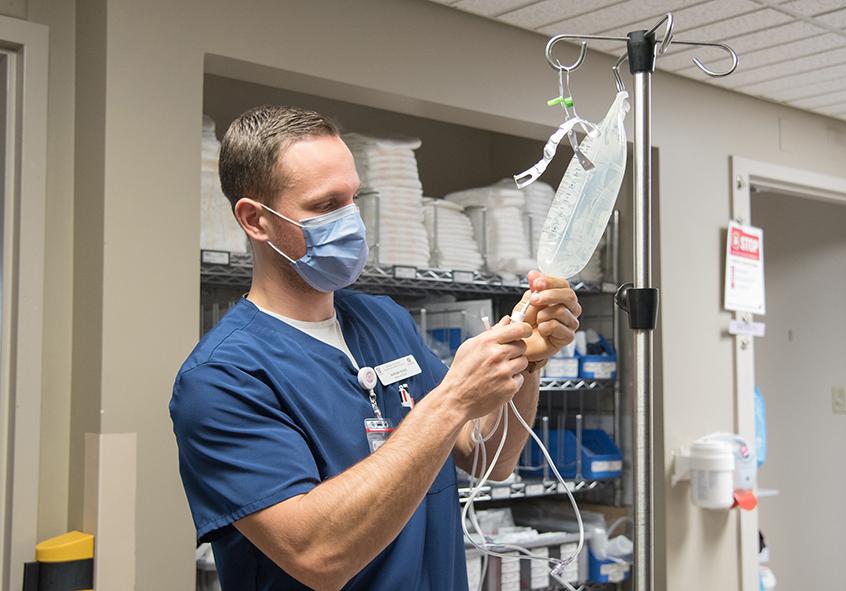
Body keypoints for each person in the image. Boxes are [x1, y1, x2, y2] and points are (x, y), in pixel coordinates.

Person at [170, 105, 582, 591]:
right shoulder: (223, 378)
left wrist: (525, 356)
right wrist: (451, 401)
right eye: (325, 206)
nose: (350, 221)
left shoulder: (383, 319)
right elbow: (318, 555)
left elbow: (489, 455)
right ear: (255, 220)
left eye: (353, 199)